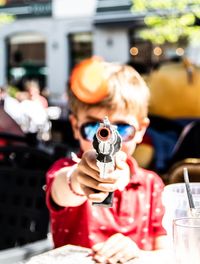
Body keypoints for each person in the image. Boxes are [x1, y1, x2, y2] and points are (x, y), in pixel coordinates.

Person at [46, 57, 167, 263]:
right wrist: (80, 179)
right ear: (75, 127)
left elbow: (165, 252)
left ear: (141, 130)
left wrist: (138, 253)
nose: (109, 138)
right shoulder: (65, 168)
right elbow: (63, 188)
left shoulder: (151, 184)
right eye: (94, 128)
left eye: (121, 128)